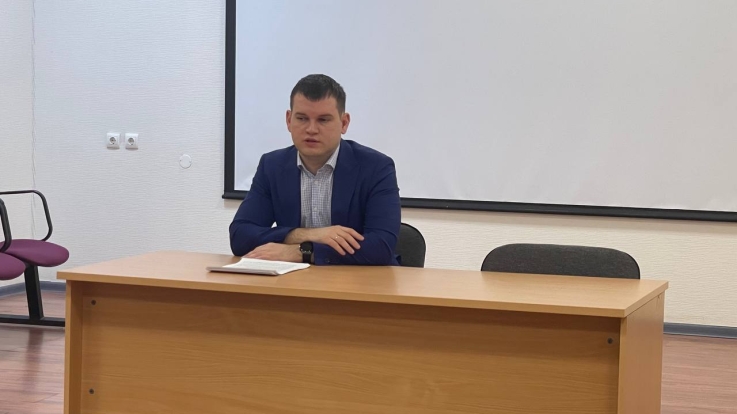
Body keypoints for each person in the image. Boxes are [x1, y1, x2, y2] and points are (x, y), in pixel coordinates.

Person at [229, 74, 401, 265]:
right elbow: (240, 236)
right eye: (302, 118)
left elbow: (381, 247)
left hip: (359, 280)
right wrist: (309, 235)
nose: (311, 129)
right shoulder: (272, 166)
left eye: (323, 120)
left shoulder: (376, 167)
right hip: (292, 280)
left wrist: (302, 252)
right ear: (288, 120)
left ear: (344, 123)